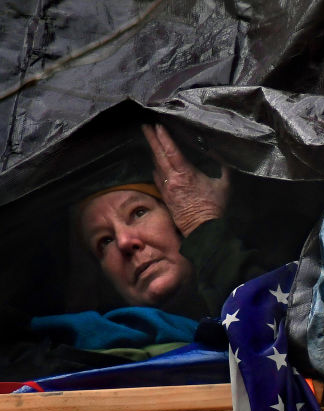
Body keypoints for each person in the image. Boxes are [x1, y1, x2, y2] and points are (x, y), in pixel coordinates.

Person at [74, 124, 268, 314]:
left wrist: (201, 223)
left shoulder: (291, 284)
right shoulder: (87, 344)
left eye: (139, 212)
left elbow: (273, 323)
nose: (124, 242)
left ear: (177, 216)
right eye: (104, 241)